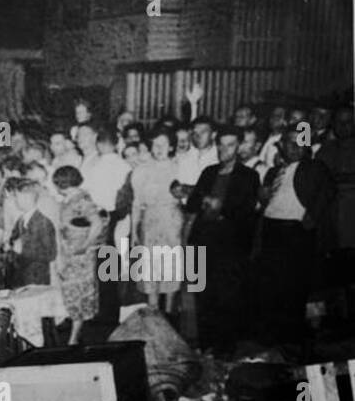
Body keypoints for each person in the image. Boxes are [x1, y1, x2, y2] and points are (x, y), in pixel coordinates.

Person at [256, 127, 337, 344]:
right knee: (273, 284)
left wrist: (312, 215)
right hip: (272, 230)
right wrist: (263, 197)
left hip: (295, 231)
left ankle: (293, 337)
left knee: (294, 286)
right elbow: (266, 201)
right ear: (281, 146)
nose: (293, 147)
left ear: (307, 146)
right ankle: (275, 336)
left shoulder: (314, 167)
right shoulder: (275, 171)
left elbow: (328, 190)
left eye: (299, 142)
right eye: (288, 143)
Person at [185, 128, 260, 352]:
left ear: (238, 147)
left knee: (226, 297)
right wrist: (205, 201)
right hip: (203, 240)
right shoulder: (209, 172)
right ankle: (207, 345)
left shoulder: (249, 176)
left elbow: (245, 212)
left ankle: (225, 348)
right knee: (203, 296)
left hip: (229, 245)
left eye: (229, 145)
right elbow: (192, 204)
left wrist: (218, 206)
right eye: (221, 145)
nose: (223, 149)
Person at [130, 131, 185, 313]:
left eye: (163, 144)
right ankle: (153, 311)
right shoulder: (142, 169)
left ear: (171, 146)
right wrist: (134, 232)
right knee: (150, 268)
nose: (159, 149)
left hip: (172, 221)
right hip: (150, 221)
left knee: (171, 267)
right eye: (155, 145)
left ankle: (169, 312)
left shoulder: (180, 167)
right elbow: (137, 203)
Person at [52, 165, 105, 338]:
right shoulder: (69, 199)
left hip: (79, 253)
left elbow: (97, 224)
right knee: (71, 291)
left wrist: (86, 245)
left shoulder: (81, 199)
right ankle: (74, 331)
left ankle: (75, 336)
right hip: (69, 251)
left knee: (79, 292)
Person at [7, 178, 56, 288]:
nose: (15, 199)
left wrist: (23, 249)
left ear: (27, 197)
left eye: (17, 196)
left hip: (36, 279)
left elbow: (51, 254)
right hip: (19, 276)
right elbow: (13, 240)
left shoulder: (44, 222)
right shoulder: (21, 220)